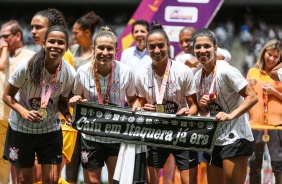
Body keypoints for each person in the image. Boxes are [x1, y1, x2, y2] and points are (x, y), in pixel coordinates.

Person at [2, 25, 76, 183]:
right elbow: (7, 96)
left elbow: (63, 102)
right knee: (24, 179)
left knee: (51, 179)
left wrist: (68, 115)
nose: (56, 46)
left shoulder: (69, 72)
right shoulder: (26, 66)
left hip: (50, 131)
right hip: (21, 130)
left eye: (61, 43)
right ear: (44, 43)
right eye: (52, 41)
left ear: (67, 46)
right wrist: (24, 112)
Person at [69, 26, 137, 184]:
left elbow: (133, 99)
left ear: (116, 50)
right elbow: (74, 96)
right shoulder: (83, 71)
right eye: (101, 47)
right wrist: (74, 101)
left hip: (116, 134)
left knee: (115, 180)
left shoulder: (126, 72)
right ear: (93, 48)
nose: (105, 52)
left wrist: (136, 106)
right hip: (90, 134)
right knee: (92, 181)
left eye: (109, 48)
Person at [133, 21, 198, 184]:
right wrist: (140, 108)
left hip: (182, 131)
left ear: (168, 45)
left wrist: (188, 112)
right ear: (147, 48)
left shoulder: (184, 71)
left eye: (161, 45)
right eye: (152, 47)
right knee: (149, 180)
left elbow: (195, 107)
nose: (157, 50)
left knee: (188, 181)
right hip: (156, 132)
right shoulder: (141, 74)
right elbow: (138, 104)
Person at [191, 28, 257, 184]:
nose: (202, 50)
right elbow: (206, 111)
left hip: (236, 138)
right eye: (198, 47)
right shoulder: (197, 77)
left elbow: (252, 97)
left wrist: (231, 115)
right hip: (214, 139)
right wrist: (202, 106)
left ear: (215, 48)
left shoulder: (226, 70)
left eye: (206, 46)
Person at [30, 8, 77, 183]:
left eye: (39, 27)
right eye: (32, 27)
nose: (33, 31)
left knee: (47, 178)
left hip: (61, 125)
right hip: (43, 125)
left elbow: (65, 95)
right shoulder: (39, 57)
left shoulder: (63, 55)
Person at [67, 11, 102, 184]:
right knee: (71, 157)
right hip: (71, 112)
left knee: (91, 160)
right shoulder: (71, 50)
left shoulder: (99, 53)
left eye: (76, 32)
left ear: (87, 32)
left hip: (91, 114)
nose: (73, 36)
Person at [0, 19, 35, 184]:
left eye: (6, 36)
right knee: (1, 162)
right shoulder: (2, 54)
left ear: (18, 35)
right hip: (1, 117)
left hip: (18, 118)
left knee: (19, 165)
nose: (2, 39)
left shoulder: (29, 56)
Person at [246, 39, 282, 184]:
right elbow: (245, 97)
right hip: (255, 125)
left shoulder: (280, 75)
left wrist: (275, 92)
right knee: (254, 164)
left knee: (278, 164)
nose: (271, 58)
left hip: (277, 125)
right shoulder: (252, 72)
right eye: (269, 54)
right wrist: (246, 86)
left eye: (276, 56)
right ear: (263, 53)